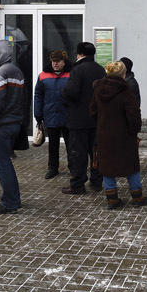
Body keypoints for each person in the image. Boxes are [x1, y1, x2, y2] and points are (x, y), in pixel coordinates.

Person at [90, 61, 147, 209]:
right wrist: (134, 130)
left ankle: (112, 200)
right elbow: (133, 114)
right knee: (131, 165)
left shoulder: (97, 89)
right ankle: (137, 198)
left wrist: (102, 123)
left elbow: (92, 111)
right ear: (123, 74)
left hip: (104, 134)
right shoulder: (125, 90)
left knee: (107, 166)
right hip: (124, 135)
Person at [0, 40, 27, 214]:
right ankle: (13, 198)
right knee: (6, 162)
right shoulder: (16, 71)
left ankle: (10, 202)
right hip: (14, 122)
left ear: (0, 54)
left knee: (3, 165)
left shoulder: (0, 73)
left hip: (1, 124)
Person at [61, 42, 106, 194]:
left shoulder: (77, 70)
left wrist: (65, 98)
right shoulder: (101, 70)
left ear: (80, 54)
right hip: (97, 119)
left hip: (78, 119)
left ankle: (78, 184)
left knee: (78, 153)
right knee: (95, 152)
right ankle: (97, 181)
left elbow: (71, 92)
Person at [34, 50, 71, 179]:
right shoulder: (43, 75)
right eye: (53, 61)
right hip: (50, 114)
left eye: (58, 61)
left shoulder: (71, 74)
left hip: (68, 115)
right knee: (53, 144)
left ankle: (73, 167)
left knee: (70, 143)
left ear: (64, 62)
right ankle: (53, 168)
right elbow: (38, 95)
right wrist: (38, 113)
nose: (55, 64)